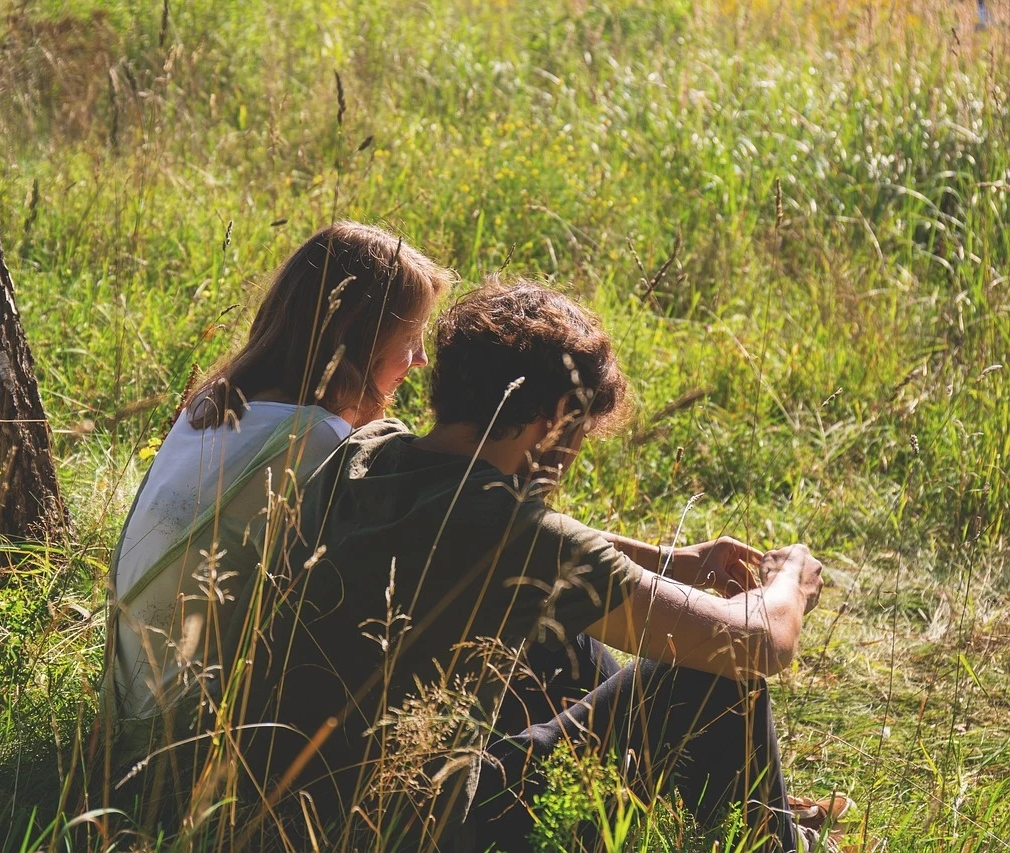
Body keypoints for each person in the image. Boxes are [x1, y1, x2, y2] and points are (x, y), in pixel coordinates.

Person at [240, 280, 844, 851]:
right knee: (714, 674)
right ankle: (779, 840)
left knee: (564, 637)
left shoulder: (366, 453)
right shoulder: (521, 539)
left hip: (285, 800)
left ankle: (730, 806)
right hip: (425, 830)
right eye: (580, 430)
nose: (575, 452)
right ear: (554, 414)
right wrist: (789, 579)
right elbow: (757, 642)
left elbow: (509, 538)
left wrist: (666, 561)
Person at [103, 221, 452, 822]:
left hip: (131, 719)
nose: (420, 360)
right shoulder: (316, 440)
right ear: (360, 340)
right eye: (411, 340)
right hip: (202, 752)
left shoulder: (211, 407)